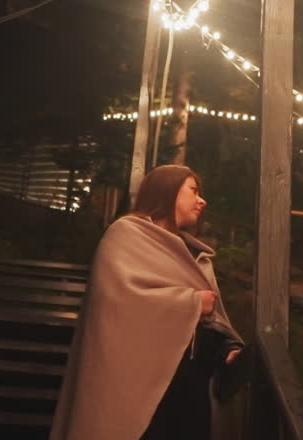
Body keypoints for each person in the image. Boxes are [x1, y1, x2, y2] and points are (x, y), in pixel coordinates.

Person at [50, 165, 245, 440]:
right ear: (167, 191)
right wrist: (191, 303)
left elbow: (212, 321)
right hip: (138, 386)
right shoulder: (126, 235)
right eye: (193, 191)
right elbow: (117, 303)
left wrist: (228, 347)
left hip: (189, 392)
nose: (202, 200)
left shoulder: (194, 253)